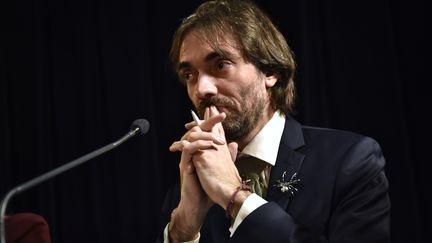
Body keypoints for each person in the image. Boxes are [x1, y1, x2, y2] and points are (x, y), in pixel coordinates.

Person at [157, 0, 390, 242]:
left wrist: (235, 197)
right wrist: (182, 232)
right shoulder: (185, 192)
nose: (201, 89)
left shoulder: (349, 161)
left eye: (220, 65)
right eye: (189, 75)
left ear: (270, 72)